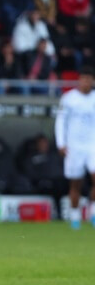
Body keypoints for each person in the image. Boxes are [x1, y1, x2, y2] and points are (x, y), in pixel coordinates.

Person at [54, 66, 95, 229]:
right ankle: (75, 215)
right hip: (74, 146)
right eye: (83, 79)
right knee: (75, 183)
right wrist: (61, 143)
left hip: (92, 145)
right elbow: (60, 121)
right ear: (79, 80)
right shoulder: (69, 98)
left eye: (89, 79)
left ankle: (92, 212)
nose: (86, 82)